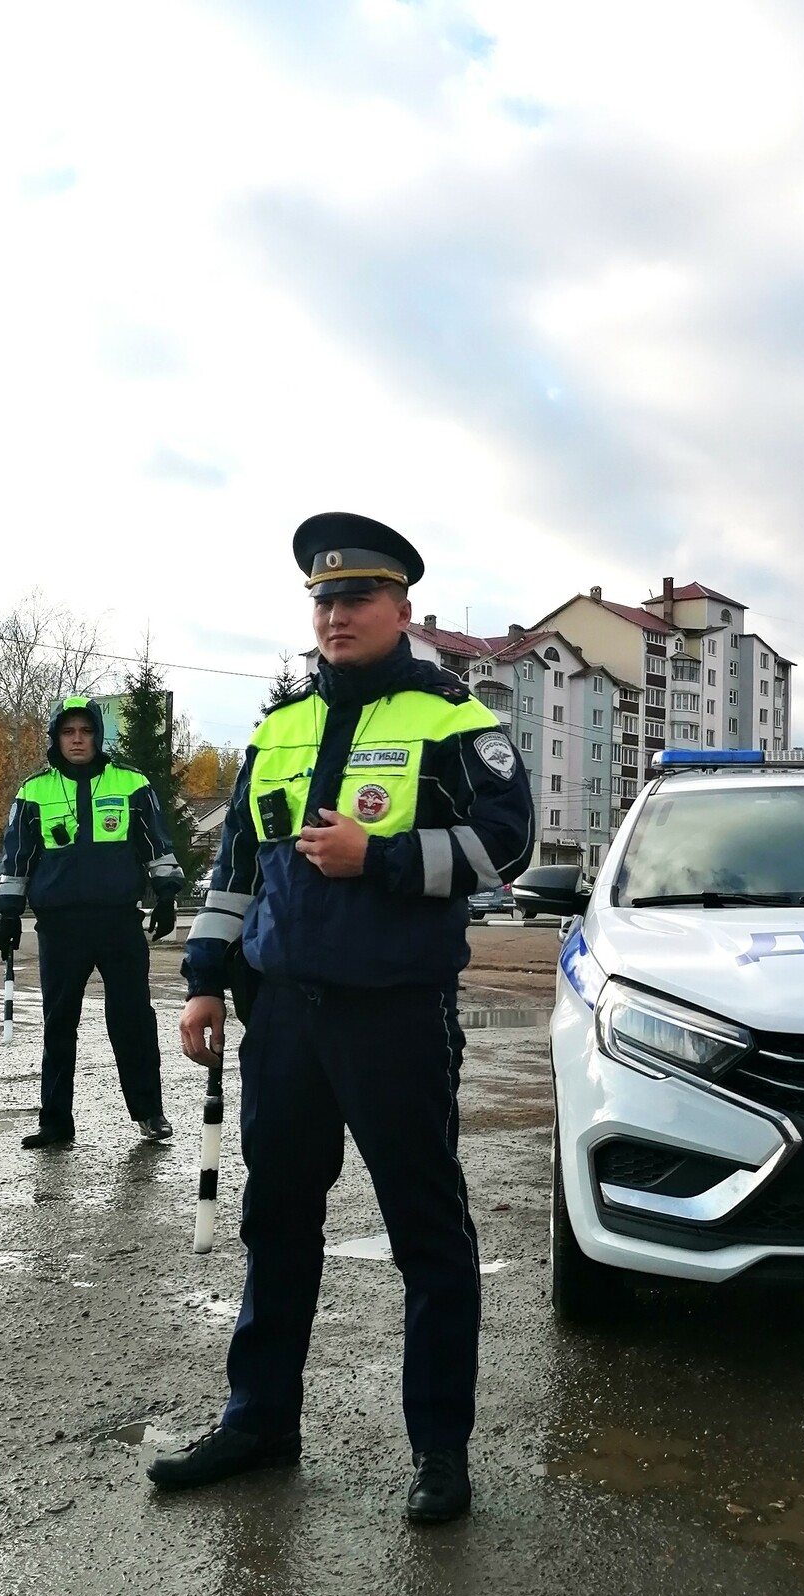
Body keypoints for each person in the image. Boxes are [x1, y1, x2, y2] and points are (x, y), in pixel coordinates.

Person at [149, 512, 534, 1524]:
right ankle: (260, 1419)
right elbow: (235, 869)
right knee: (275, 1222)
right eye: (322, 599)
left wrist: (386, 859)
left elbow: (510, 849)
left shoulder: (453, 719)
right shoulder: (277, 729)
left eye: (357, 597)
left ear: (402, 609)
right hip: (285, 1015)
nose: (336, 614)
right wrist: (200, 975)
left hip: (395, 1014)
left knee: (426, 1234)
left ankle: (439, 1452)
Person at [0, 696, 186, 1149]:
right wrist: (8, 914)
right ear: (56, 738)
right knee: (59, 1023)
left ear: (99, 736)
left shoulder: (133, 784)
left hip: (119, 922)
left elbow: (155, 843)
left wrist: (166, 897)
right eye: (68, 732)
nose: (77, 739)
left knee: (133, 1019)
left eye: (85, 731)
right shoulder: (33, 792)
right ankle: (56, 1121)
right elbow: (17, 856)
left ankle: (149, 1113)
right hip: (60, 926)